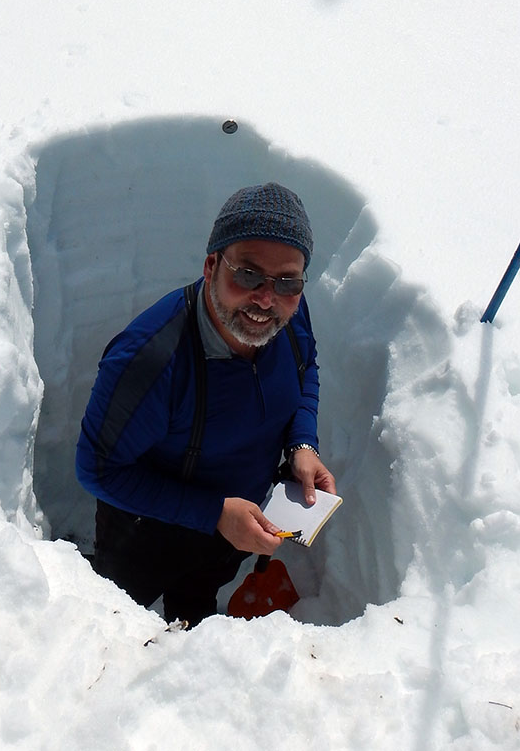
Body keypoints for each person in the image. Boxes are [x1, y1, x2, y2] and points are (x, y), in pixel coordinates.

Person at [75, 182, 336, 626]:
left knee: (198, 597)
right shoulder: (150, 359)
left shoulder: (292, 315)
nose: (266, 298)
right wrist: (213, 513)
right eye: (248, 274)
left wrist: (302, 444)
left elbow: (305, 368)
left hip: (238, 521)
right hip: (148, 529)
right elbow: (98, 468)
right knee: (118, 614)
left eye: (288, 280)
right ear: (212, 263)